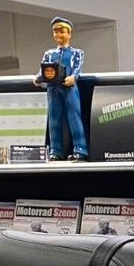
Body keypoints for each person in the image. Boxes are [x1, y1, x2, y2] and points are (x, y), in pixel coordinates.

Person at [36, 16, 88, 161]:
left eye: (62, 31)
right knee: (54, 120)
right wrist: (38, 78)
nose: (58, 34)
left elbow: (77, 68)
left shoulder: (76, 52)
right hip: (53, 88)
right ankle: (55, 150)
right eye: (55, 32)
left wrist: (73, 77)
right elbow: (43, 69)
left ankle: (80, 149)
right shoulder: (49, 54)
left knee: (74, 117)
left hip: (69, 88)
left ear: (69, 34)